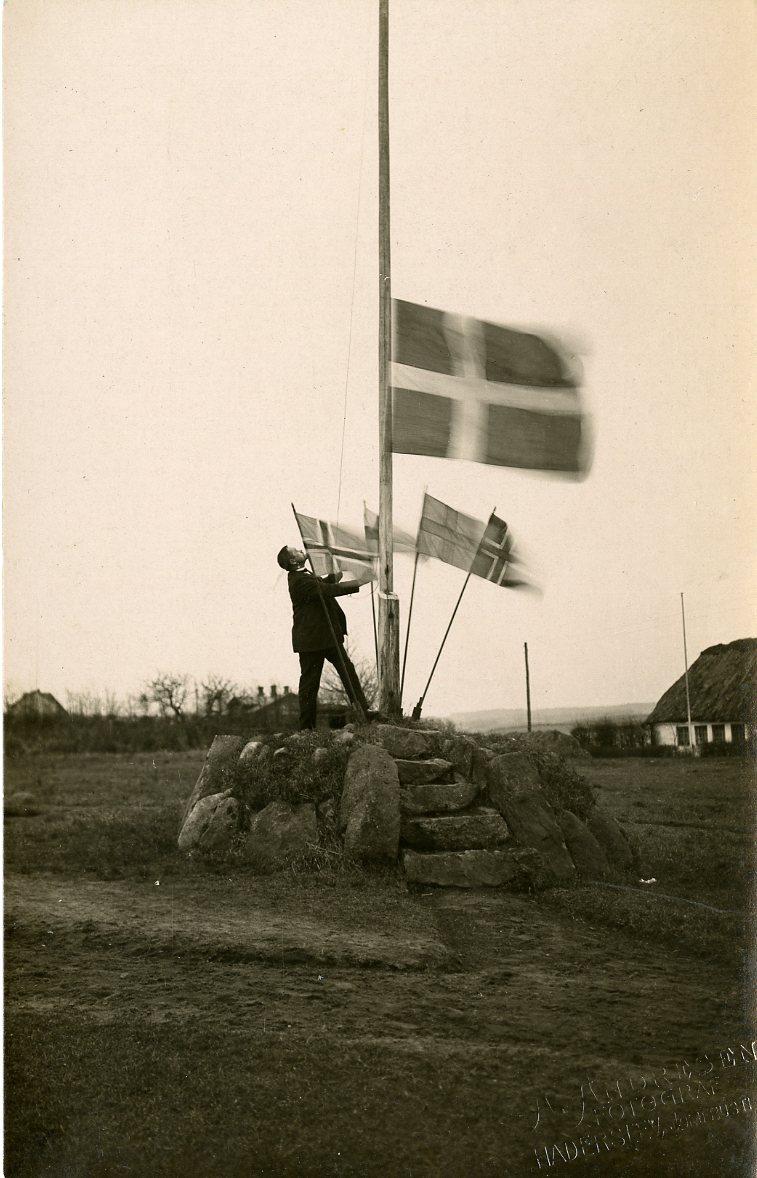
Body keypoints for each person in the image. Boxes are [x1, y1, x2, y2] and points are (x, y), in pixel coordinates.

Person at [277, 545, 374, 730]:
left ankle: (364, 711)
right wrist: (360, 581)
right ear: (293, 561)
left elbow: (323, 585)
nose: (300, 549)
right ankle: (306, 728)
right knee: (310, 684)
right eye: (296, 551)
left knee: (348, 671)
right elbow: (327, 590)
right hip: (312, 641)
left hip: (325, 637)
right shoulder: (299, 581)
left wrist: (337, 573)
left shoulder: (304, 576)